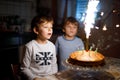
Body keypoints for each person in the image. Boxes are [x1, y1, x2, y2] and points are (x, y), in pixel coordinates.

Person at [20, 15, 58, 80]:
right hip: (36, 78)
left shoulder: (52, 46)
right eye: (46, 27)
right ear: (36, 30)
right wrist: (34, 78)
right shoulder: (29, 46)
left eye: (51, 27)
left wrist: (53, 77)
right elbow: (24, 68)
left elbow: (54, 65)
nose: (50, 30)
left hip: (49, 77)